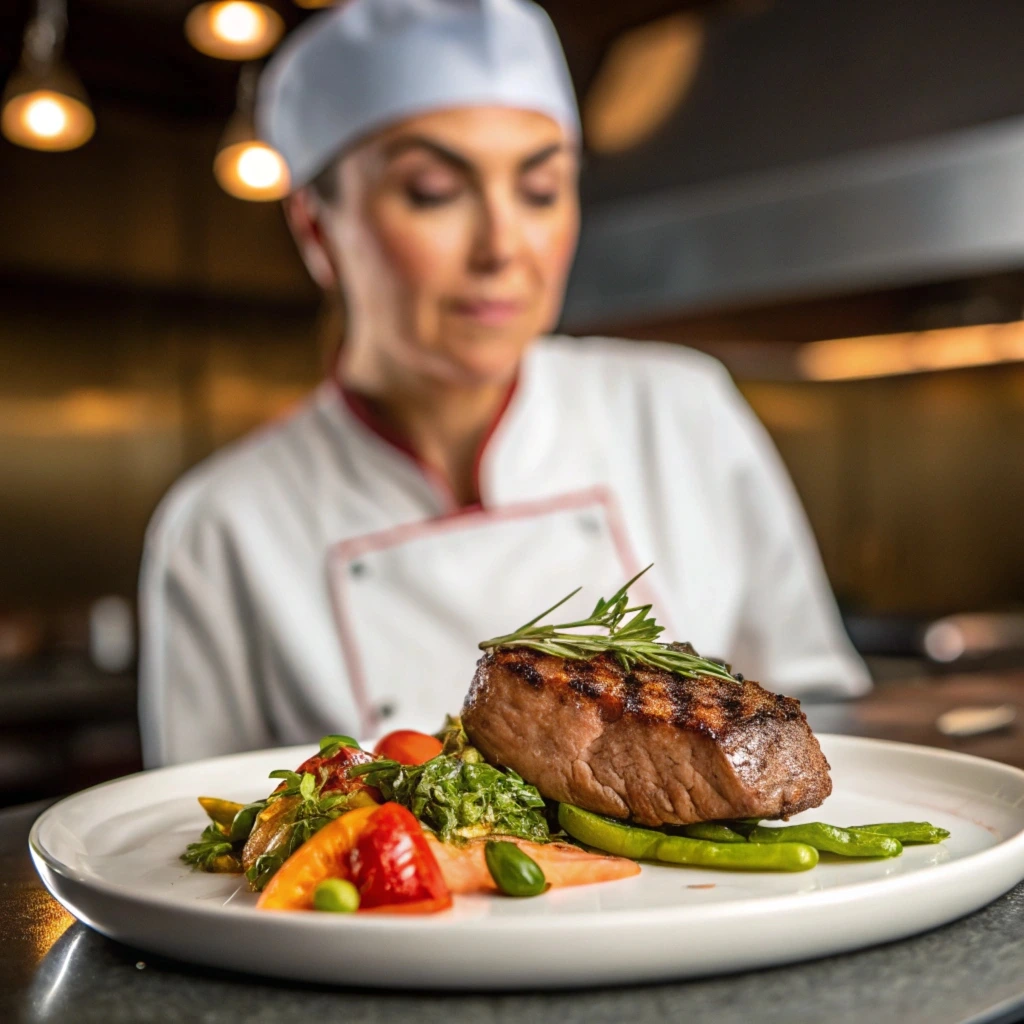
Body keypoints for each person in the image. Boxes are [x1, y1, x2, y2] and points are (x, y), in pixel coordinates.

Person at [139, 0, 869, 768]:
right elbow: (193, 836)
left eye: (541, 189)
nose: (503, 246)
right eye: (432, 190)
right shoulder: (218, 526)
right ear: (316, 228)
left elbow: (821, 722)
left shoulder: (682, 410)